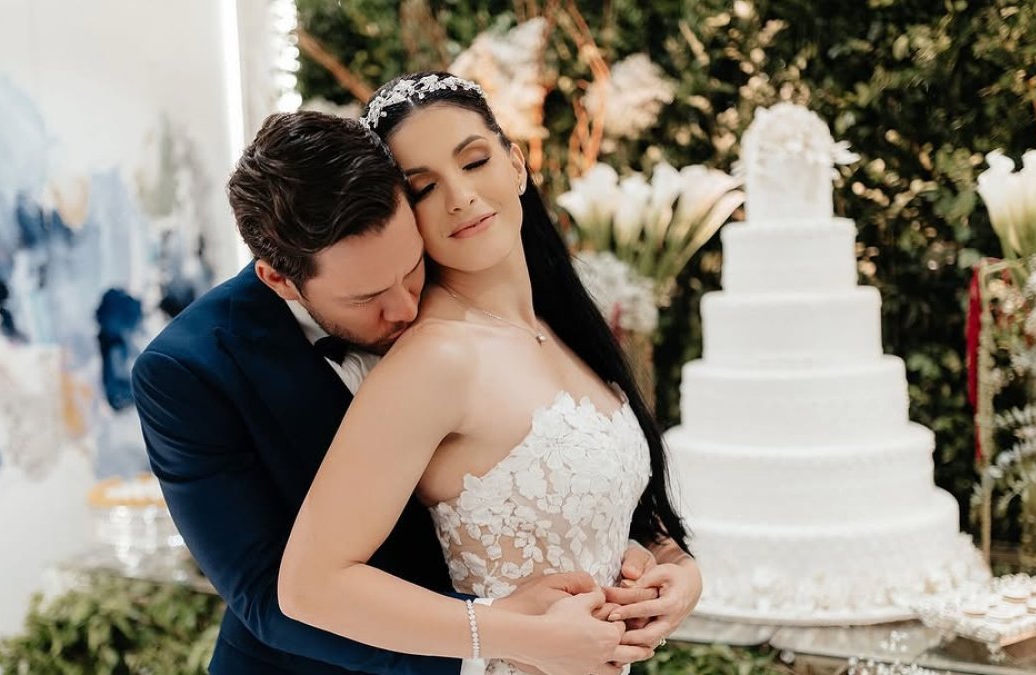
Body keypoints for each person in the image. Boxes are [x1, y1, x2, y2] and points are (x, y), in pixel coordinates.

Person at [132, 110, 671, 675]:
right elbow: (270, 599)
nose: (406, 308)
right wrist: (503, 638)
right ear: (279, 279)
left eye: (411, 269)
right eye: (366, 299)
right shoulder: (189, 371)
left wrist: (651, 559)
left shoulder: (455, 280)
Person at [277, 72, 701, 675]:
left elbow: (623, 512)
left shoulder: (563, 329)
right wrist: (514, 635)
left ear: (516, 164)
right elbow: (309, 586)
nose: (459, 196)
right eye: (424, 189)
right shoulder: (435, 360)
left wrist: (678, 571)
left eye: (474, 162)